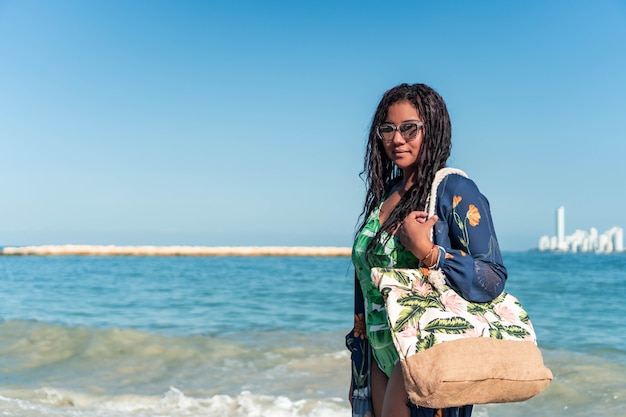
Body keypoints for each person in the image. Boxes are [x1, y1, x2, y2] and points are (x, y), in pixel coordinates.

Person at [346, 83, 508, 417]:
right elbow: (366, 282)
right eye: (388, 129)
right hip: (378, 351)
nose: (397, 138)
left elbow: (492, 275)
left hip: (425, 348)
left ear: (431, 129)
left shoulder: (454, 189)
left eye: (409, 128)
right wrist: (357, 368)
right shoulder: (386, 195)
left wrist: (428, 252)